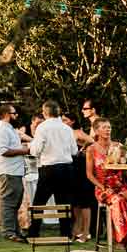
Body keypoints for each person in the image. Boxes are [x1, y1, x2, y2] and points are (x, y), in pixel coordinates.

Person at [28, 102, 82, 240]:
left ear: (45, 113)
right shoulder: (67, 129)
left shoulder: (42, 128)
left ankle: (34, 232)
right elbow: (74, 151)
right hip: (66, 168)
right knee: (64, 202)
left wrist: (32, 145)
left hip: (49, 168)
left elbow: (35, 151)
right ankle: (66, 233)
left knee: (39, 201)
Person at [84, 118, 127, 248]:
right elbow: (89, 174)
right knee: (118, 201)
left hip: (119, 184)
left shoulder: (118, 146)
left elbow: (125, 168)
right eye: (104, 127)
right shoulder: (91, 149)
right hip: (102, 186)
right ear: (96, 131)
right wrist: (102, 187)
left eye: (109, 127)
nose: (107, 130)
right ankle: (120, 239)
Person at [0, 105, 28, 241]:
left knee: (15, 202)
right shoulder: (2, 130)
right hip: (8, 171)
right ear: (7, 114)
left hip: (14, 171)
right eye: (14, 113)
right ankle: (8, 232)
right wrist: (24, 151)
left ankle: (15, 230)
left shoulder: (9, 129)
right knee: (8, 202)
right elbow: (3, 150)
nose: (17, 116)